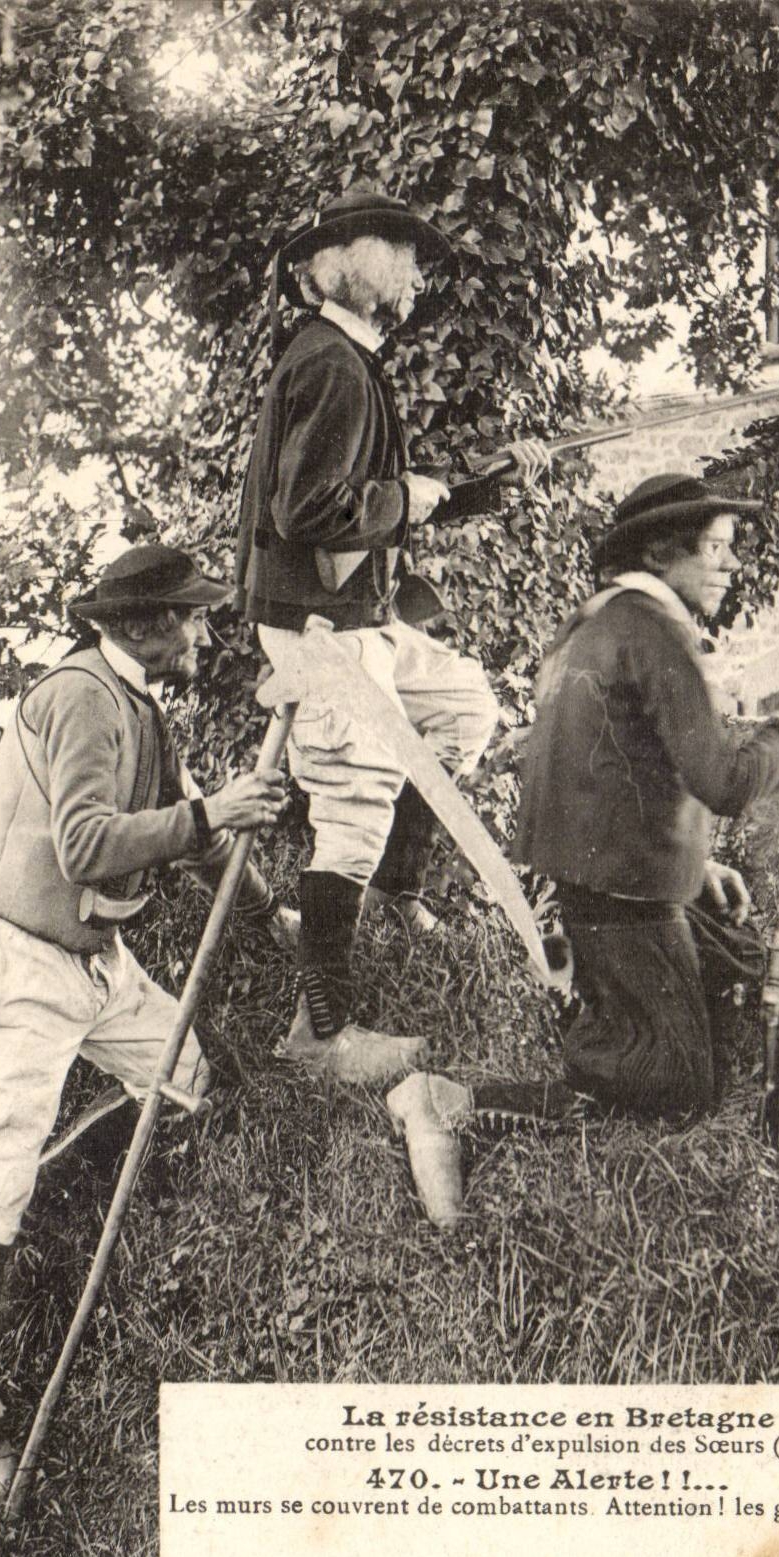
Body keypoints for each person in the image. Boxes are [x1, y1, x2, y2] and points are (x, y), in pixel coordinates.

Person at [0, 545, 295, 1506]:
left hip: (96, 957)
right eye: (190, 618)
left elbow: (191, 822)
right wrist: (213, 809)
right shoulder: (82, 697)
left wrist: (266, 913)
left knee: (185, 1082)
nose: (204, 634)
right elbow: (90, 841)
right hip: (19, 958)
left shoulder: (138, 701)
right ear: (139, 626)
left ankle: (27, 1200)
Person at [236, 188, 546, 1084]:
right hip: (318, 630)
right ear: (353, 262)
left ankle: (392, 892)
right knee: (356, 794)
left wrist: (485, 486)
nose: (416, 272)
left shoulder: (348, 358)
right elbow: (308, 514)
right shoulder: (331, 363)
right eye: (403, 253)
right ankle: (318, 1034)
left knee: (461, 705)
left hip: (359, 617)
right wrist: (404, 496)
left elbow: (366, 512)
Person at [507, 471, 779, 1126]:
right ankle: (456, 1104)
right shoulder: (655, 631)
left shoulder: (600, 619)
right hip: (623, 894)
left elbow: (617, 770)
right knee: (670, 1090)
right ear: (660, 552)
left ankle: (621, 1038)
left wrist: (693, 866)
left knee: (734, 966)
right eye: (715, 548)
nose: (731, 564)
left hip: (599, 880)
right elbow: (727, 782)